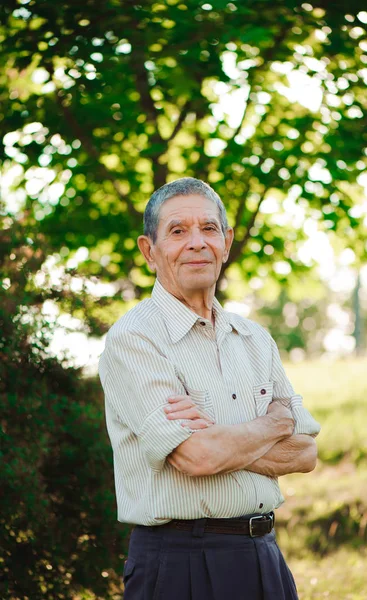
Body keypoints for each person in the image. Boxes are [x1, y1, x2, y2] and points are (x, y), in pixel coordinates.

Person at [99, 177, 321, 600]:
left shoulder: (255, 338)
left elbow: (307, 453)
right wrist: (274, 424)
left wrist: (219, 436)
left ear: (226, 241)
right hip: (179, 564)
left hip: (264, 558)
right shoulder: (134, 340)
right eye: (178, 231)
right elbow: (195, 456)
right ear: (150, 250)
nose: (196, 242)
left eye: (209, 229)